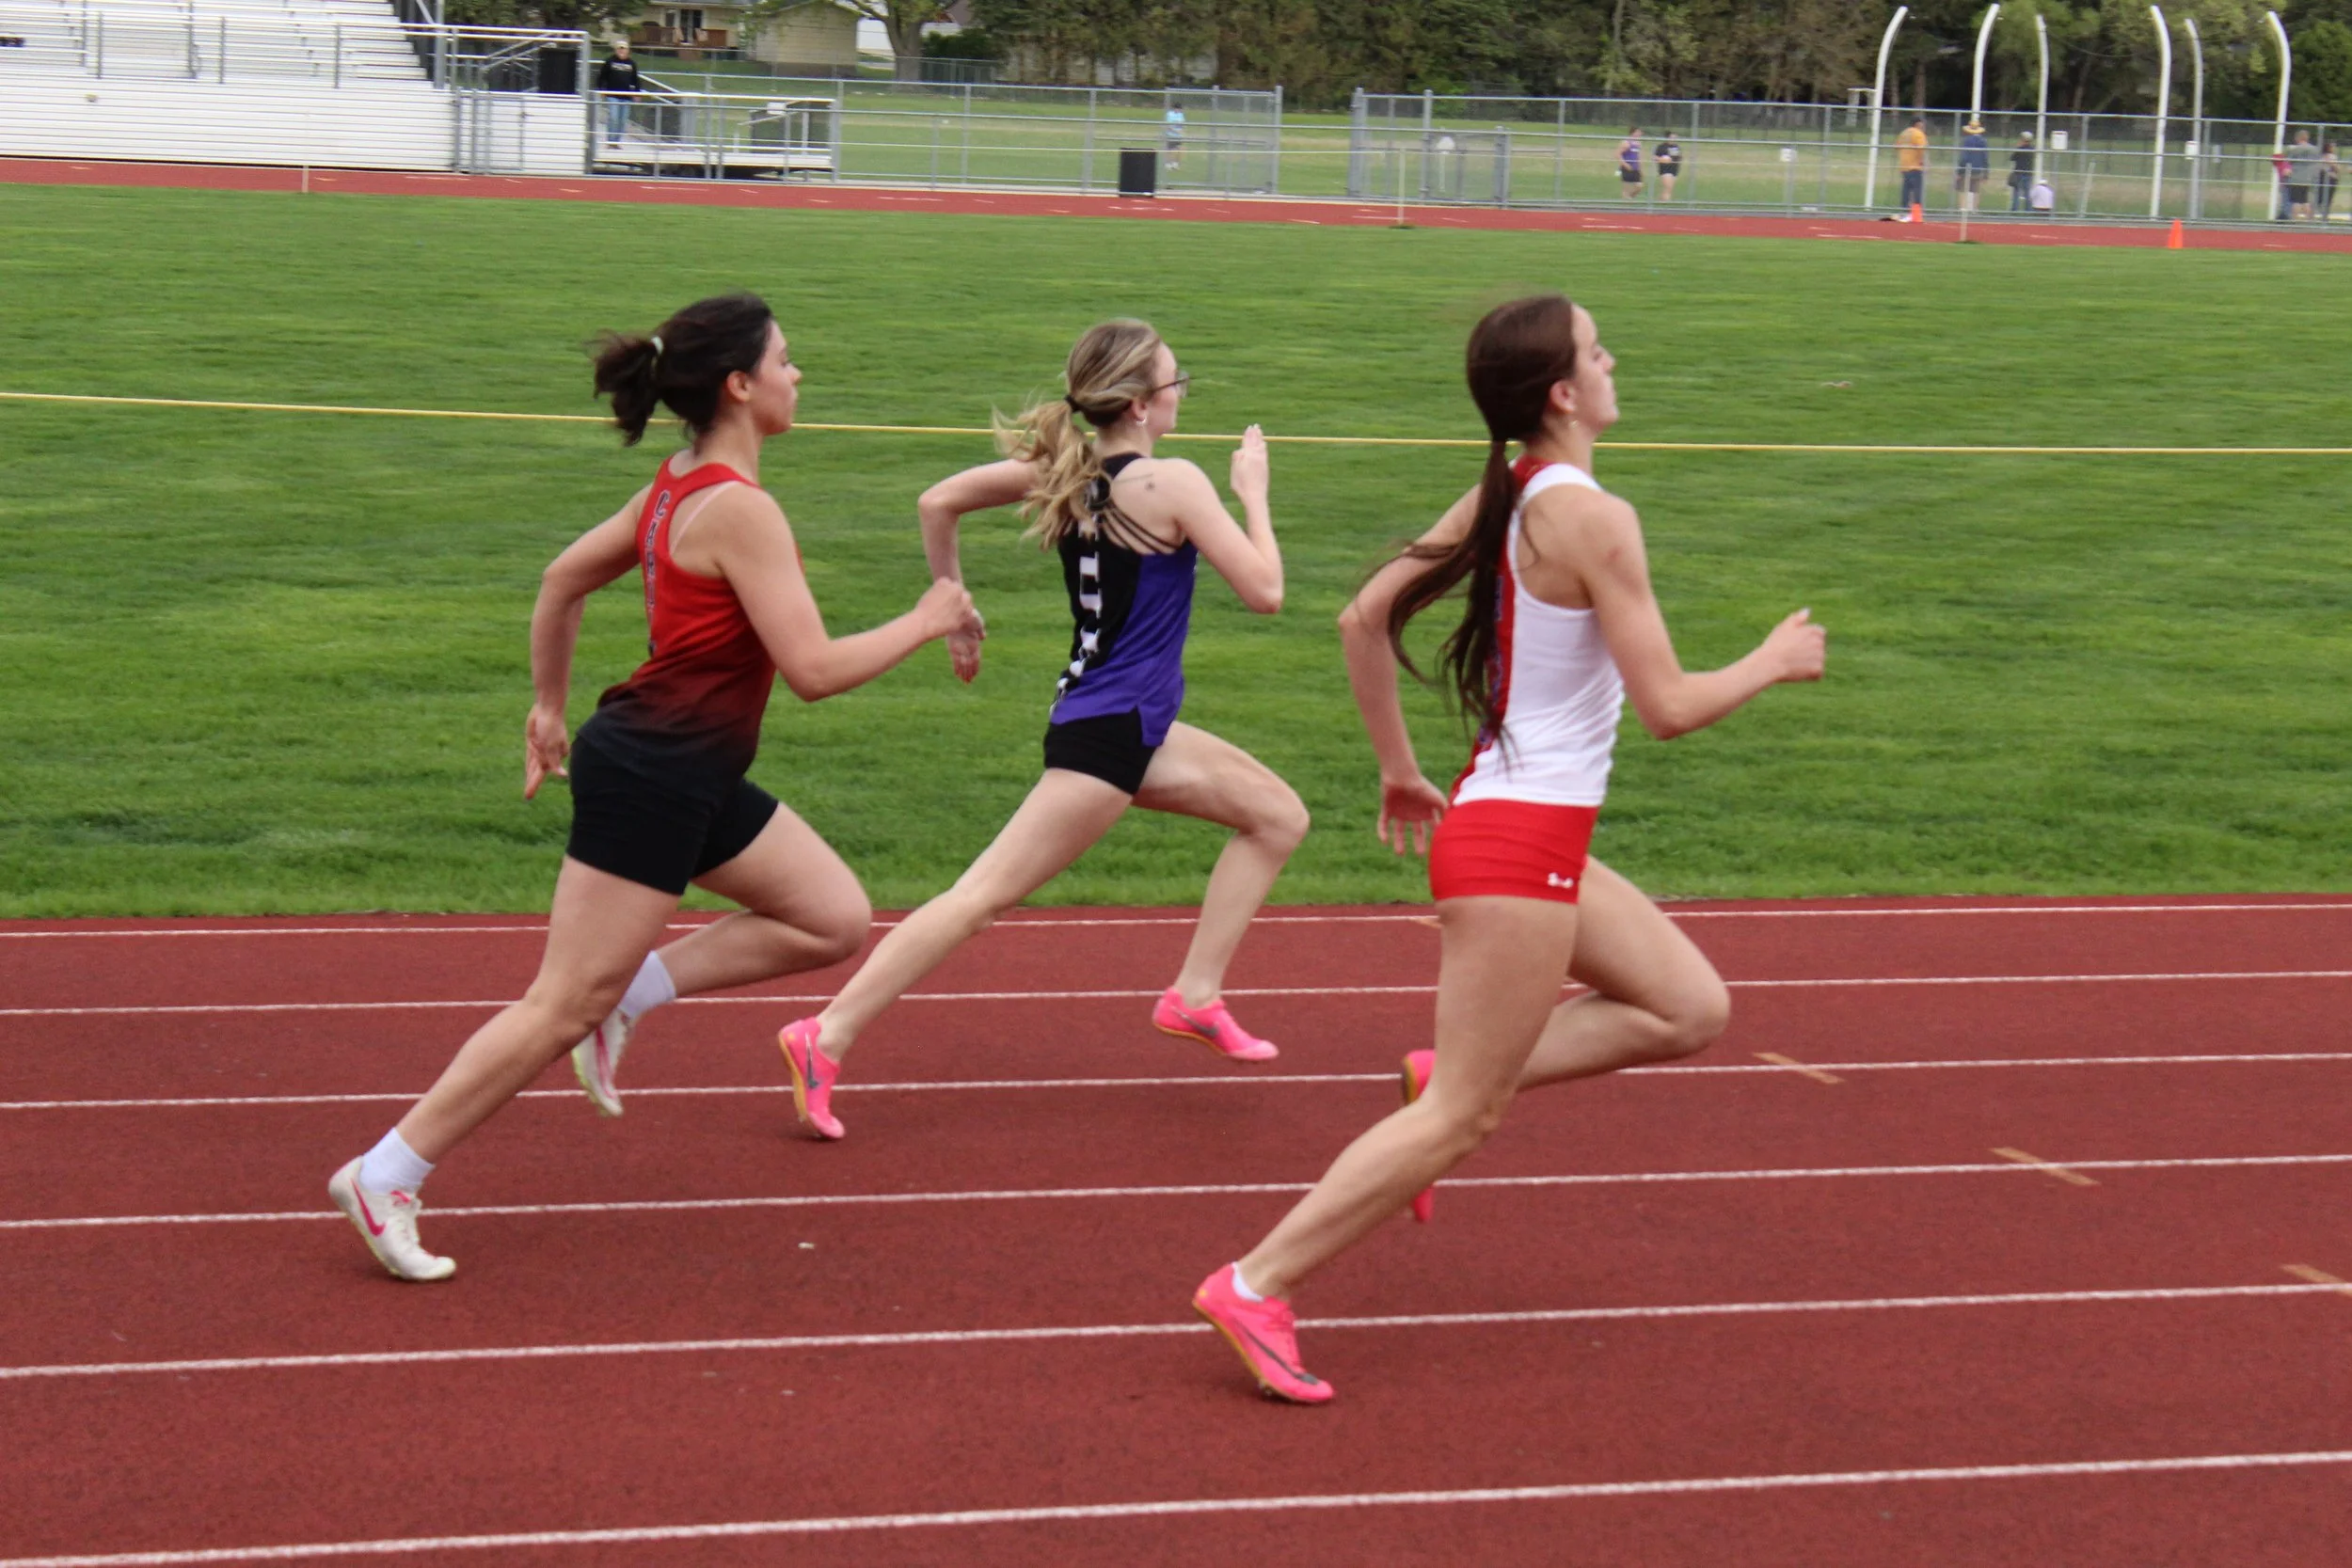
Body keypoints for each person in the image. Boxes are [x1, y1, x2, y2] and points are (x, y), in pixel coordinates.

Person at [1189, 293, 1827, 1403]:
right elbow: (1669, 704)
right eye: (1596, 348)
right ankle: (1256, 1280)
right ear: (1562, 393)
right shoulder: (1591, 515)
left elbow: (1359, 618)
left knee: (1687, 1006)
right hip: (1518, 842)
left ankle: (1450, 1063)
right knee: (1463, 1119)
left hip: (1519, 826)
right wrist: (1772, 660)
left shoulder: (1509, 487)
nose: (1614, 356)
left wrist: (1397, 765)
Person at [326, 293, 978, 1281]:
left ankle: (633, 989)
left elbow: (559, 579)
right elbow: (811, 669)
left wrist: (548, 710)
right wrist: (926, 616)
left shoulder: (676, 487)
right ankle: (387, 1171)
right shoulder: (740, 510)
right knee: (557, 1005)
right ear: (739, 384)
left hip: (687, 765)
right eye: (787, 361)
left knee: (832, 916)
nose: (800, 376)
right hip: (654, 774)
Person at [772, 319, 1305, 1142]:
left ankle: (1194, 995)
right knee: (979, 897)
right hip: (1110, 737)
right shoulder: (1175, 484)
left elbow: (936, 499)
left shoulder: (1068, 468)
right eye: (1174, 380)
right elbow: (1266, 592)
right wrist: (1255, 494)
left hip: (1129, 723)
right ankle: (826, 1033)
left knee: (1278, 816)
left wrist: (955, 604)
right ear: (1137, 402)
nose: (1181, 392)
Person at [596, 40, 643, 146]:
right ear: (616, 50)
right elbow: (601, 77)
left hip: (626, 96)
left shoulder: (631, 64)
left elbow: (635, 80)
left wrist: (637, 93)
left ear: (628, 50)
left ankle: (616, 141)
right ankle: (610, 140)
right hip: (612, 95)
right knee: (613, 117)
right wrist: (601, 89)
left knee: (622, 120)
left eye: (624, 48)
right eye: (620, 48)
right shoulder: (610, 61)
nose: (622, 50)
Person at [2285, 130, 2320, 220]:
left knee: (2296, 201)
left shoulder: (2295, 149)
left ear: (2298, 138)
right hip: (2309, 178)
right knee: (2306, 201)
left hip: (2296, 177)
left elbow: (2288, 162)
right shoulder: (2315, 149)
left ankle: (2295, 220)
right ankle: (2308, 221)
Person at [1956, 120, 1990, 213]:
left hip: (1966, 168)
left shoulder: (1966, 141)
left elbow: (1964, 156)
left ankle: (1963, 208)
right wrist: (1986, 173)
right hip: (1978, 168)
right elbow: (1985, 157)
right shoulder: (1983, 141)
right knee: (1976, 190)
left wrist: (1959, 170)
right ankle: (1975, 209)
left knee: (1963, 189)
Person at [1897, 116, 1928, 213]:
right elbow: (1921, 148)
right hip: (1915, 166)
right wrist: (1922, 161)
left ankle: (1904, 209)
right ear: (1918, 124)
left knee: (1906, 189)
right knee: (1917, 189)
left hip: (1904, 165)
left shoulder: (1904, 133)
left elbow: (1897, 146)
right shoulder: (1918, 133)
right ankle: (1916, 212)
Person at [2008, 132, 2034, 212]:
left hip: (2019, 173)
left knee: (2016, 192)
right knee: (2027, 192)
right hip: (2028, 173)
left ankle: (2015, 209)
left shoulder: (2020, 149)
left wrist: (2017, 148)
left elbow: (2012, 158)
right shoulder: (2032, 149)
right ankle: (2028, 209)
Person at [1617, 127, 1644, 199]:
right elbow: (1618, 154)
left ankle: (1630, 197)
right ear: (1633, 132)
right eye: (1638, 132)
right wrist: (1625, 164)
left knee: (1639, 186)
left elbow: (1638, 156)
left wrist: (1640, 168)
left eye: (1640, 132)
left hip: (1636, 168)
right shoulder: (1626, 143)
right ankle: (1625, 202)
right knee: (1626, 188)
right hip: (1627, 167)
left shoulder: (1639, 143)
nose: (1640, 134)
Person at [1654, 134, 1682, 200]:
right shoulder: (1662, 147)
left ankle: (1660, 201)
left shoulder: (1676, 146)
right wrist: (1662, 159)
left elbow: (1679, 156)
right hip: (1665, 169)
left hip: (1674, 169)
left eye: (1675, 138)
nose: (1674, 139)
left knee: (1669, 189)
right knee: (1668, 187)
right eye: (1672, 137)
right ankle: (1666, 202)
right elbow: (1655, 157)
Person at [2319, 141, 2341, 221]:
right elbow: (2336, 168)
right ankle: (2325, 216)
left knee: (2324, 199)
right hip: (2330, 178)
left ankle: (2324, 215)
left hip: (2325, 178)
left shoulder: (2321, 156)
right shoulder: (2331, 157)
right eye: (2332, 147)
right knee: (2327, 199)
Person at [1164, 104, 1186, 171]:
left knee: (1179, 149)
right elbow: (1168, 126)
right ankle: (1168, 164)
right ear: (1175, 109)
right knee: (1170, 150)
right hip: (1171, 135)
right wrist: (1176, 131)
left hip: (1179, 136)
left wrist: (1182, 131)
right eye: (1179, 109)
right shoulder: (1170, 114)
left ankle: (1175, 164)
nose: (1180, 111)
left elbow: (1183, 124)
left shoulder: (1181, 115)